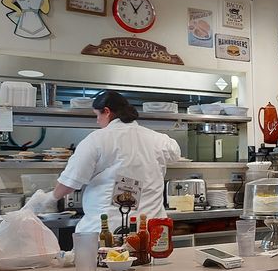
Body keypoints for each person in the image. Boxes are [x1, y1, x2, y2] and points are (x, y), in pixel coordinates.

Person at [24, 91, 181, 233]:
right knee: (151, 265)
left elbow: (70, 182)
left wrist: (49, 198)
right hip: (152, 229)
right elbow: (174, 153)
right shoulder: (158, 140)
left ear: (107, 111)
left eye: (97, 115)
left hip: (108, 231)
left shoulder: (96, 139)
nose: (97, 121)